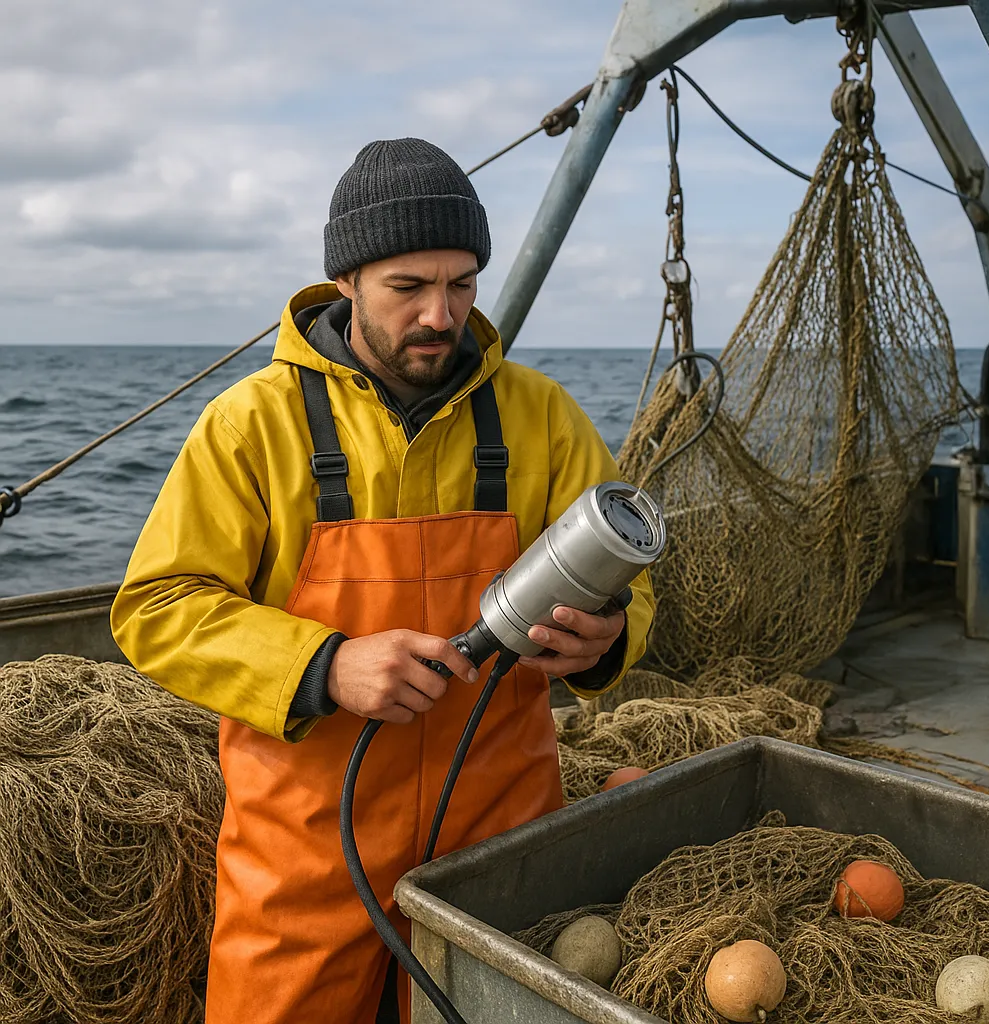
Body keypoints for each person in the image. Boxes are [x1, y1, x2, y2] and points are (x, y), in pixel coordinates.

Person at [111, 137, 655, 1024]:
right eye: (409, 288)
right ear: (348, 284)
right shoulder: (249, 424)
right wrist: (325, 665)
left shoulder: (543, 416)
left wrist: (608, 640)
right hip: (300, 863)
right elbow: (158, 608)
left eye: (462, 283)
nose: (441, 314)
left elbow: (631, 596)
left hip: (498, 849)